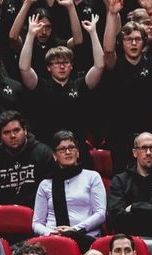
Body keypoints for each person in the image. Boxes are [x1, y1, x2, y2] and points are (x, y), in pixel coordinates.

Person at [18, 18, 104, 159]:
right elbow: (24, 68)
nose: (62, 66)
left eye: (65, 62)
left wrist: (93, 33)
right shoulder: (42, 86)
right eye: (57, 63)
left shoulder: (81, 85)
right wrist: (30, 35)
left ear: (71, 66)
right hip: (48, 150)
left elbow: (99, 66)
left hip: (78, 149)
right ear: (48, 67)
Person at [100, 9, 152, 171]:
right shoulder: (115, 65)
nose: (133, 43)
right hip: (120, 135)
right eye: (128, 39)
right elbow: (108, 49)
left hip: (151, 132)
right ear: (122, 42)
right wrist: (111, 14)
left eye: (137, 39)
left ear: (144, 42)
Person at [31, 130, 106, 249]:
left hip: (85, 237)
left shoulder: (92, 177)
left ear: (78, 152)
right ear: (55, 156)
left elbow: (101, 214)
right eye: (62, 149)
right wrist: (51, 233)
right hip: (53, 238)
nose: (67, 152)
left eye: (71, 147)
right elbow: (36, 223)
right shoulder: (45, 184)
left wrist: (74, 230)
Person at [0, 110, 55, 210]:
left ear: (25, 130)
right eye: (6, 132)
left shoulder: (44, 154)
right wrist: (5, 212)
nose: (12, 136)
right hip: (3, 217)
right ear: (0, 135)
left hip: (39, 214)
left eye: (16, 130)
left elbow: (52, 190)